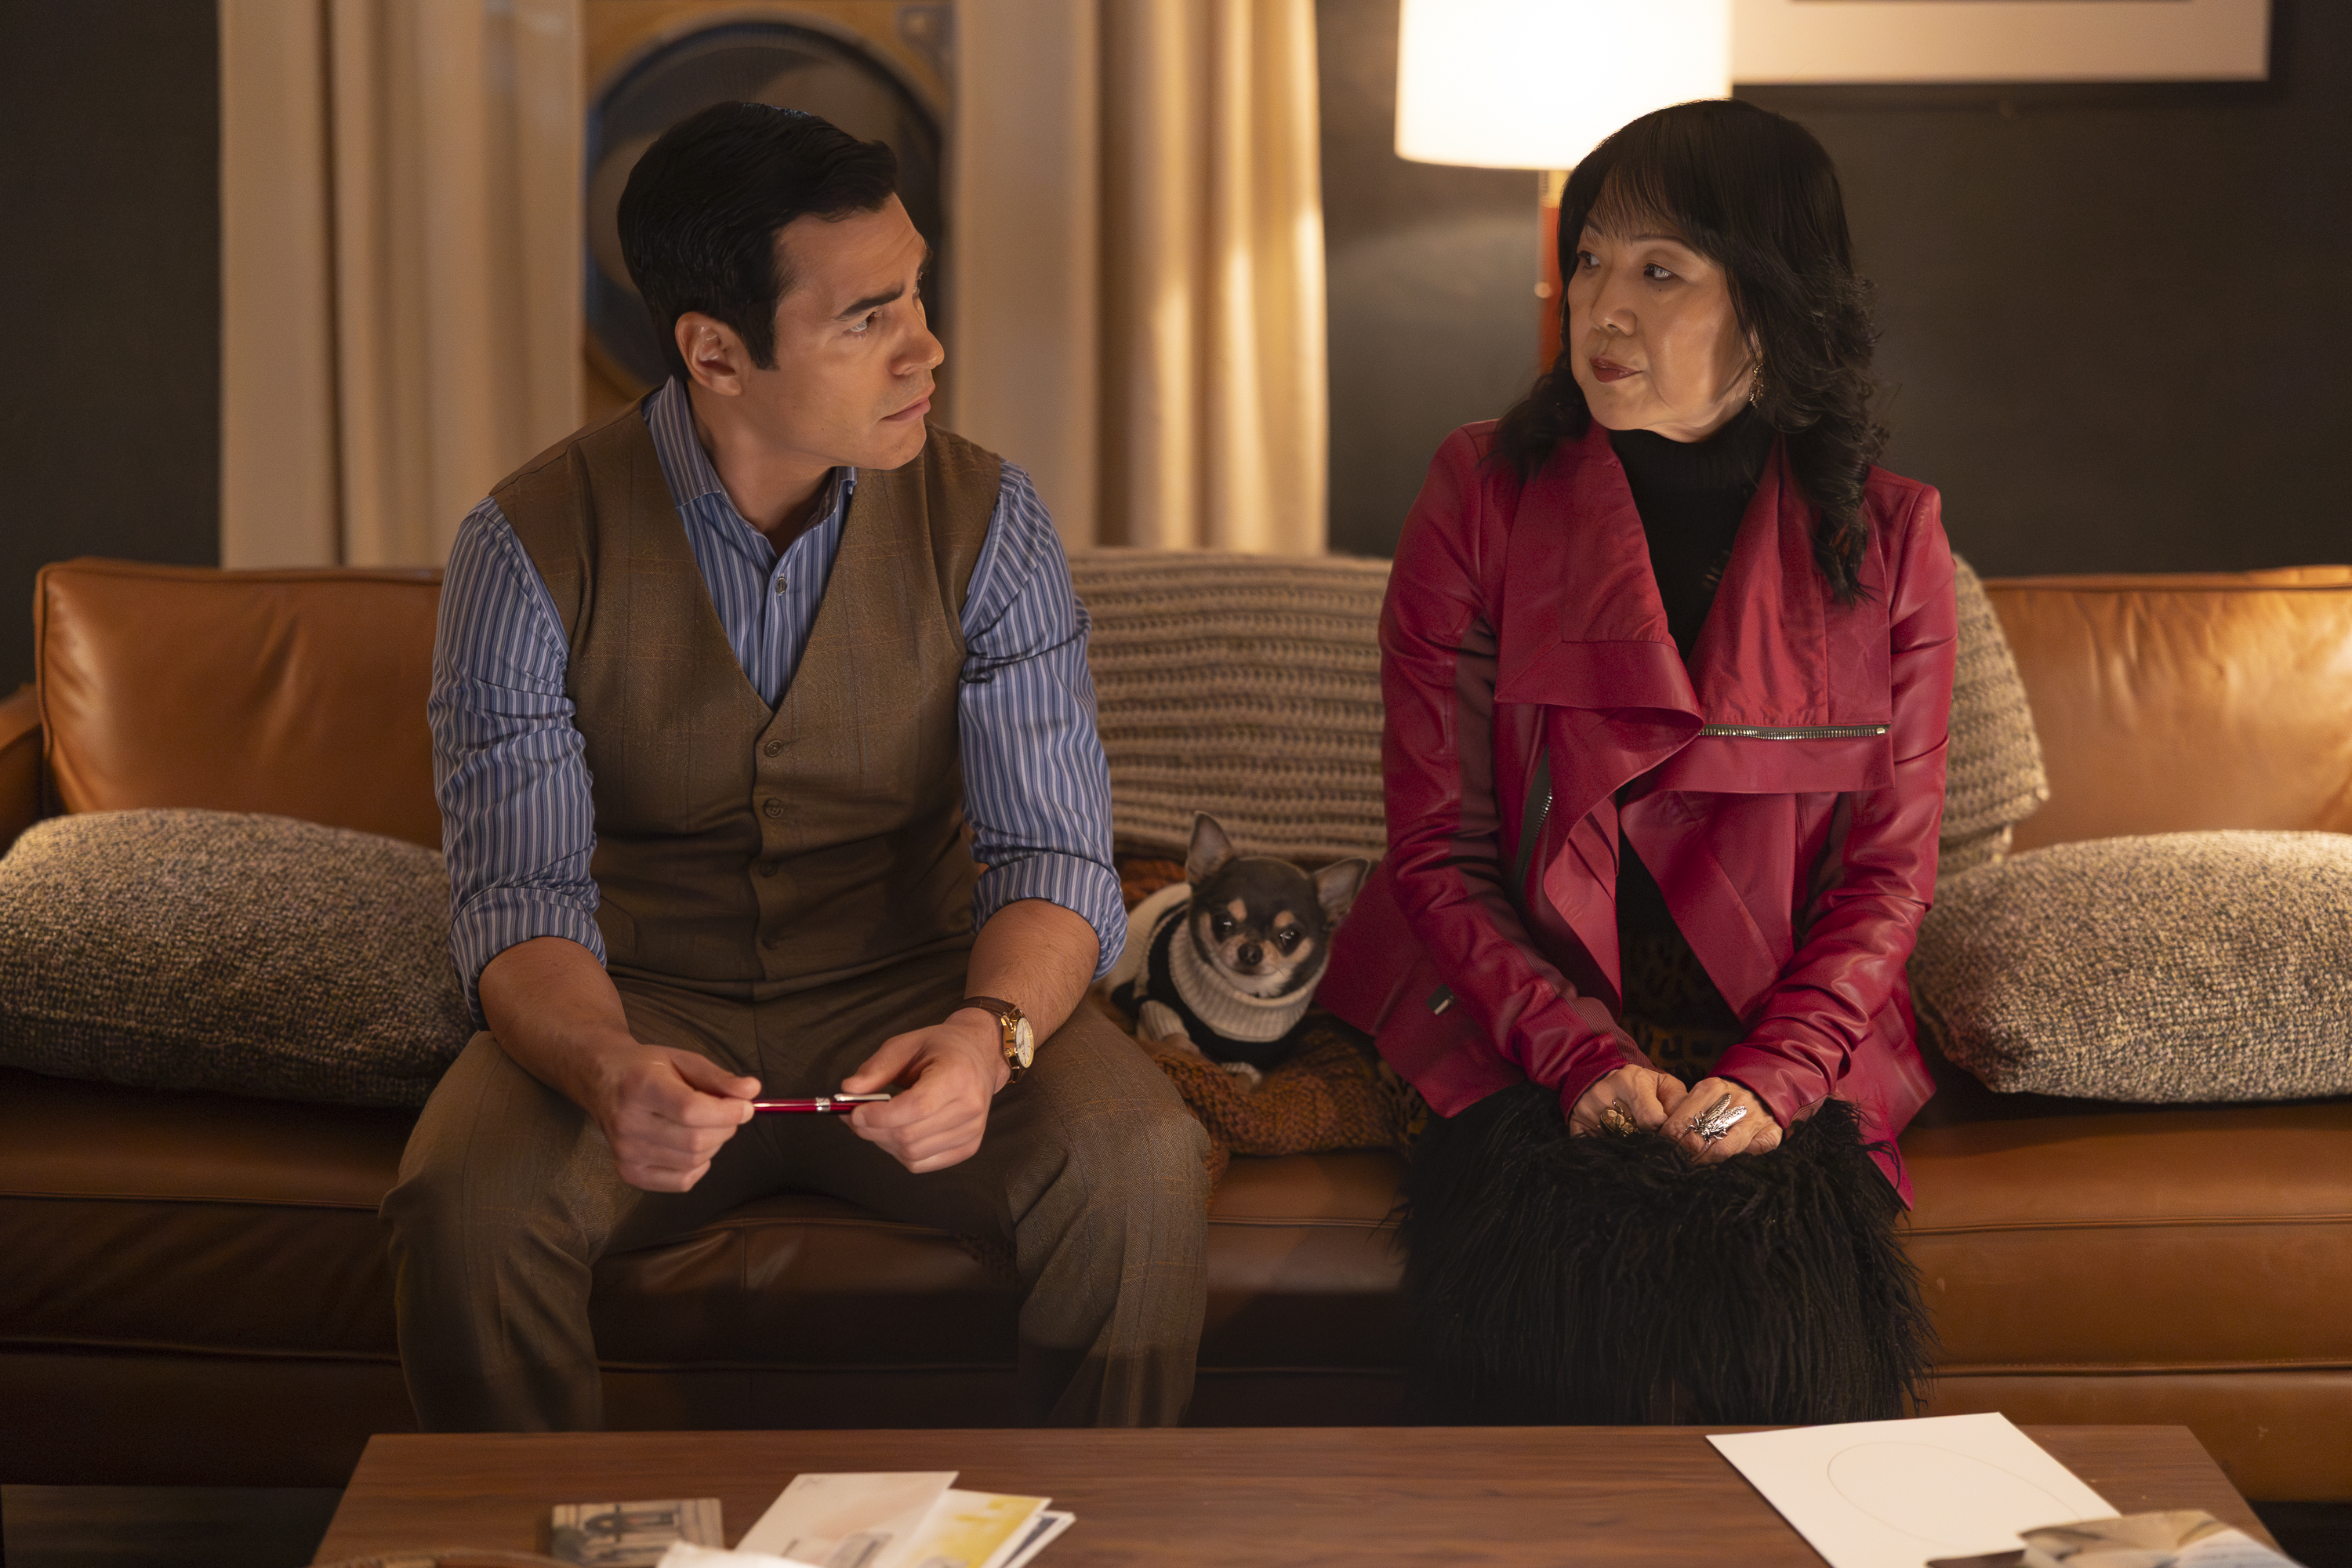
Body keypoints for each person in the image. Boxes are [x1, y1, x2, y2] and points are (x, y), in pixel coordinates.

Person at [379, 103, 1210, 1432]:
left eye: (916, 292)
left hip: (919, 986)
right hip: (634, 997)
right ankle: (536, 1532)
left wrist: (987, 1038)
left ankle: (1099, 1529)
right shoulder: (524, 544)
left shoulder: (992, 520)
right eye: (867, 318)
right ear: (715, 350)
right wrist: (605, 1066)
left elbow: (1051, 858)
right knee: (466, 1207)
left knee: (1143, 1166)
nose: (926, 347)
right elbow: (520, 895)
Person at [1319, 99, 1951, 1425]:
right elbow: (1438, 849)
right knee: (1555, 1296)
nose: (1600, 307)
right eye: (1592, 259)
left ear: (1774, 305)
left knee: (1785, 1321)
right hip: (1522, 1001)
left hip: (1778, 1017)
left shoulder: (1890, 538)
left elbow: (1886, 880)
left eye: (1661, 271)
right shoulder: (1481, 494)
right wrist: (1577, 1056)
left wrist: (1776, 1077)